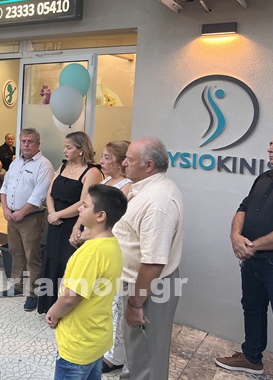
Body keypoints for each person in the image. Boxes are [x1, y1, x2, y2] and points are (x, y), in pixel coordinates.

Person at [112, 138, 183, 380]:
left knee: (146, 358)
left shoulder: (157, 202)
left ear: (149, 165)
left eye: (129, 159)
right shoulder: (144, 189)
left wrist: (135, 304)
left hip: (148, 289)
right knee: (136, 351)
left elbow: (153, 263)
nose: (123, 163)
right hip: (139, 285)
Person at [215, 132, 273, 375]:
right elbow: (243, 207)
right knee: (252, 309)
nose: (270, 149)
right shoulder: (264, 177)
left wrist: (252, 246)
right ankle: (252, 358)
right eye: (270, 144)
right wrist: (235, 236)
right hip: (252, 262)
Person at [46, 184, 127, 380]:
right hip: (96, 337)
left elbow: (70, 297)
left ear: (100, 216)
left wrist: (53, 314)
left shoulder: (91, 253)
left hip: (78, 342)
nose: (80, 208)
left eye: (85, 205)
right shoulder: (112, 245)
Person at [38, 131, 102, 314]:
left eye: (69, 147)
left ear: (81, 149)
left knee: (68, 263)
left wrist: (59, 215)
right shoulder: (63, 166)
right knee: (51, 258)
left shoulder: (92, 172)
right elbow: (50, 192)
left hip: (73, 224)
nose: (64, 151)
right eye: (64, 147)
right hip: (54, 222)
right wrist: (52, 213)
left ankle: (65, 307)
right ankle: (49, 305)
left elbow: (84, 202)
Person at [0, 127, 54, 312]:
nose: (26, 145)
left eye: (30, 141)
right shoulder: (16, 163)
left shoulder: (44, 165)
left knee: (32, 256)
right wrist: (5, 209)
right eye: (23, 141)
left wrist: (21, 213)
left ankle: (33, 293)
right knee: (16, 252)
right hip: (12, 216)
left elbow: (39, 195)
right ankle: (17, 286)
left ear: (38, 144)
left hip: (30, 217)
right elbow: (4, 187)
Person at [95, 140, 132, 373]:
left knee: (116, 302)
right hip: (97, 245)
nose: (101, 161)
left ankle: (114, 356)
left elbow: (116, 221)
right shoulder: (104, 181)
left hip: (113, 247)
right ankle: (102, 343)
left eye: (107, 157)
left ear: (120, 162)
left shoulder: (127, 187)